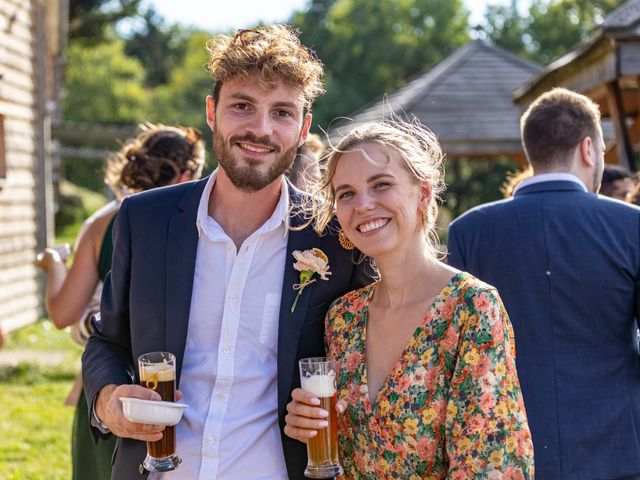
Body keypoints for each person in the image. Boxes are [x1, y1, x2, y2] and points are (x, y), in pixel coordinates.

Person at [81, 25, 370, 480]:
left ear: (303, 128)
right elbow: (108, 340)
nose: (260, 128)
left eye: (281, 112)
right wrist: (106, 399)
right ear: (212, 112)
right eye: (242, 106)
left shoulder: (336, 236)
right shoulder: (144, 219)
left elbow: (367, 365)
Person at [284, 120, 534, 478]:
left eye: (381, 185)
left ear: (423, 193)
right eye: (347, 193)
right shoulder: (343, 317)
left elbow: (492, 464)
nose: (363, 205)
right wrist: (303, 424)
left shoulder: (470, 307)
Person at [447, 88, 640, 479]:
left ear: (532, 149)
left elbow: (459, 354)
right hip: (618, 448)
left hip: (506, 451)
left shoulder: (468, 231)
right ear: (589, 149)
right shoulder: (631, 225)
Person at [36, 123, 205, 480]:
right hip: (168, 395)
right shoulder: (201, 224)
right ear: (188, 174)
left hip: (105, 388)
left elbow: (63, 313)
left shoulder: (101, 224)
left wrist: (54, 265)